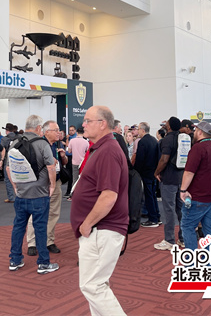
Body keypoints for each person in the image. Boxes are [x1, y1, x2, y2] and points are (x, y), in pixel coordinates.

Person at [71, 105, 128, 316]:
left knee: (93, 286)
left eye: (88, 121)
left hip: (101, 229)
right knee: (96, 285)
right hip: (99, 229)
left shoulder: (108, 151)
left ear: (102, 124)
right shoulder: (101, 148)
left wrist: (87, 224)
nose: (83, 124)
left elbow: (109, 196)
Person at [7, 115, 58, 274]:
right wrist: (52, 186)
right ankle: (43, 263)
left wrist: (15, 186)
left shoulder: (15, 142)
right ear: (38, 128)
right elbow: (51, 167)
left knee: (18, 228)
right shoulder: (42, 144)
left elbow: (8, 168)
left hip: (21, 195)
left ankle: (15, 260)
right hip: (39, 194)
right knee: (40, 228)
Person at [179, 121, 211, 250]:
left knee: (187, 226)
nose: (193, 133)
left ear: (199, 132)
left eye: (195, 130)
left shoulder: (198, 148)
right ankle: (210, 258)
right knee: (209, 228)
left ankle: (190, 259)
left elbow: (189, 172)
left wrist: (183, 190)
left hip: (197, 196)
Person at [26, 120, 67, 255]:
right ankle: (32, 243)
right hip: (41, 183)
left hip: (56, 181)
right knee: (36, 212)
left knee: (53, 213)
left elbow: (63, 163)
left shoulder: (57, 144)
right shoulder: (38, 144)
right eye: (56, 130)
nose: (59, 133)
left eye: (59, 130)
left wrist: (63, 157)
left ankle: (49, 241)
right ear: (47, 132)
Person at [154, 116, 185, 250]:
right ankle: (183, 238)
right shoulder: (183, 138)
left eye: (166, 123)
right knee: (181, 210)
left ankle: (169, 240)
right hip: (181, 178)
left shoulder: (168, 139)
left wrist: (156, 172)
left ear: (170, 126)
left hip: (169, 179)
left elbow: (164, 159)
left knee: (169, 210)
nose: (165, 124)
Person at [133, 122, 160, 227]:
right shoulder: (154, 140)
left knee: (148, 197)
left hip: (145, 173)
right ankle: (157, 216)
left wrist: (136, 172)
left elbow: (140, 159)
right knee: (152, 196)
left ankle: (153, 219)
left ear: (143, 130)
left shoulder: (142, 142)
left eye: (138, 129)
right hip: (153, 173)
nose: (137, 131)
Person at [67, 126, 89, 195]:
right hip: (83, 163)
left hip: (75, 162)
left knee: (75, 179)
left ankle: (73, 194)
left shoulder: (72, 141)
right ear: (83, 133)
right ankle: (82, 193)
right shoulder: (86, 142)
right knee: (83, 179)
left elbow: (69, 151)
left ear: (77, 133)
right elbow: (88, 152)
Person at [0, 123, 18, 203]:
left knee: (8, 179)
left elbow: (2, 150)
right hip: (17, 160)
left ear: (6, 130)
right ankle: (19, 196)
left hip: (8, 161)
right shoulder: (18, 137)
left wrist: (1, 160)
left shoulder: (4, 139)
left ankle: (11, 197)